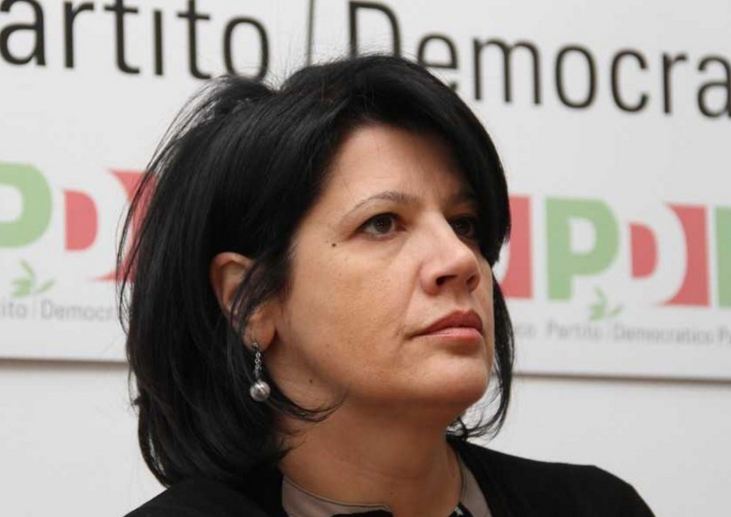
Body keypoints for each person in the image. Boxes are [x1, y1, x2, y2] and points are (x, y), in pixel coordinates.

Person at [120, 54, 654, 517]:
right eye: (382, 224)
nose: (460, 260)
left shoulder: (596, 507)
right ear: (249, 301)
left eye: (464, 224)